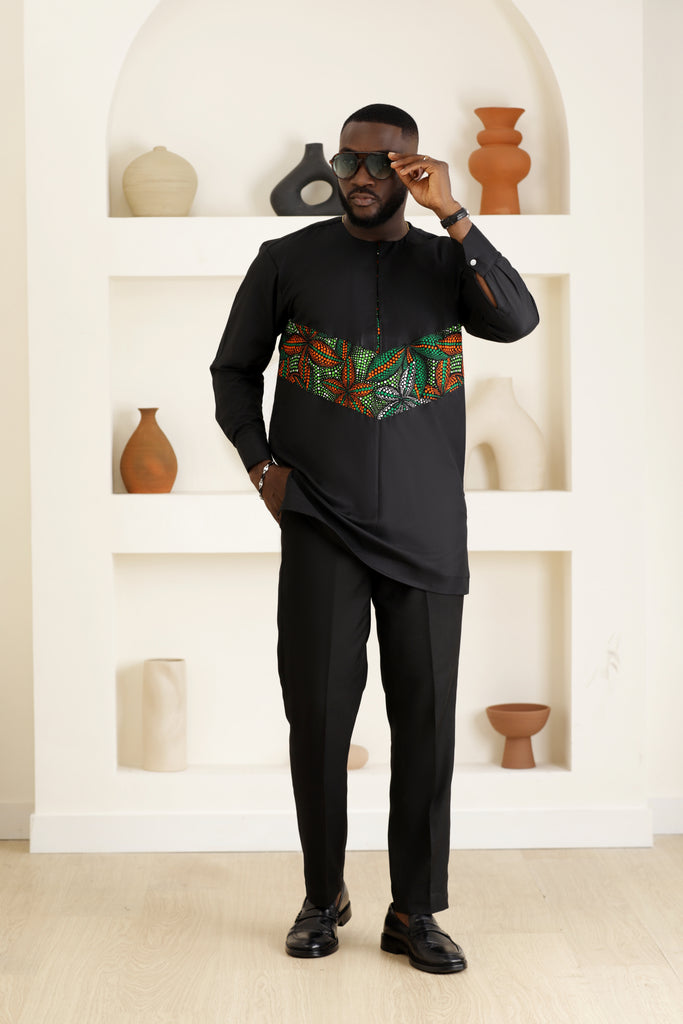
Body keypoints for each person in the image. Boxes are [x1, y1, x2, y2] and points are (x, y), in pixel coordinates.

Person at [211, 103, 539, 974]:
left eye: (381, 164)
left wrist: (454, 212)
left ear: (411, 169)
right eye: (350, 160)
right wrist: (261, 467)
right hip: (320, 520)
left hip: (426, 530)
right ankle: (323, 898)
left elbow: (516, 320)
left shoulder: (446, 261)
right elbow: (232, 370)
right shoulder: (286, 259)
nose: (359, 176)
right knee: (318, 718)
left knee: (425, 725)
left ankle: (413, 911)